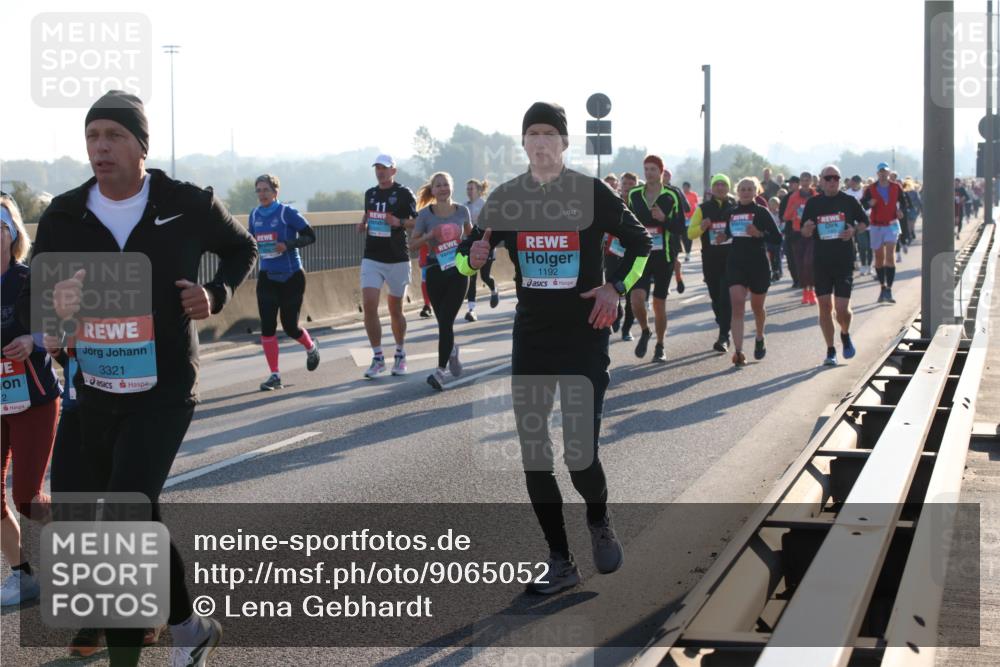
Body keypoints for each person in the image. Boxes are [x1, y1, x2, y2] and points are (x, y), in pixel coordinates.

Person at [36, 90, 256, 666]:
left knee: (128, 507)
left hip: (164, 388)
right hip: (94, 387)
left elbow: (242, 248)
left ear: (140, 145)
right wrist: (55, 310)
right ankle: (187, 626)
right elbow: (44, 290)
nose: (100, 147)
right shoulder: (63, 214)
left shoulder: (187, 203)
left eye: (113, 136)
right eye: (92, 136)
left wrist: (215, 293)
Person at [456, 102, 651, 594]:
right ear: (523, 144)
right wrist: (471, 256)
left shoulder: (590, 192)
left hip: (585, 333)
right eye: (532, 134)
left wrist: (616, 289)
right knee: (534, 452)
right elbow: (462, 259)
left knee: (579, 453)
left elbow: (641, 243)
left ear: (564, 143)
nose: (540, 142)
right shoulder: (508, 196)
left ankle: (599, 518)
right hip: (533, 337)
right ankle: (560, 560)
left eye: (549, 134)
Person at [1, 195, 60, 608]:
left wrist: (31, 339)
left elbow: (60, 327)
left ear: (13, 234)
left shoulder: (29, 279)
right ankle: (22, 576)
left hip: (34, 399)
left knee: (26, 496)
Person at [249, 174, 319, 391]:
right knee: (267, 327)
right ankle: (275, 375)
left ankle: (310, 346)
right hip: (268, 276)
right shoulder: (254, 215)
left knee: (289, 326)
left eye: (266, 190)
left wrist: (287, 245)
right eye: (259, 190)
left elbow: (310, 236)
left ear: (275, 192)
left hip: (291, 277)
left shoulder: (286, 212)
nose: (262, 194)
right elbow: (251, 242)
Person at [801, 165, 869, 366]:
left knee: (841, 309)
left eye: (836, 178)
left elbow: (865, 222)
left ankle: (845, 334)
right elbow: (804, 231)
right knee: (824, 306)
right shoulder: (813, 203)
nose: (832, 181)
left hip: (844, 260)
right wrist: (807, 228)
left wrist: (853, 230)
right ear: (820, 181)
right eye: (828, 178)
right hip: (821, 260)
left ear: (840, 181)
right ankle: (830, 350)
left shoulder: (849, 201)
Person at [358, 154, 417, 378]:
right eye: (377, 168)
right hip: (372, 256)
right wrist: (363, 223)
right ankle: (378, 357)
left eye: (384, 168)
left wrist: (399, 222)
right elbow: (368, 213)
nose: (380, 172)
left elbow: (417, 220)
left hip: (397, 258)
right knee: (369, 304)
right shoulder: (370, 194)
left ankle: (400, 353)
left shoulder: (404, 193)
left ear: (393, 170)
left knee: (395, 310)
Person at [411, 173, 472, 391]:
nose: (443, 188)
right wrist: (429, 236)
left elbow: (470, 237)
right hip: (435, 271)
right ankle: (452, 350)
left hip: (458, 272)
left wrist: (471, 252)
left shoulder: (462, 211)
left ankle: (439, 372)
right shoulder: (425, 214)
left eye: (446, 184)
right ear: (433, 190)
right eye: (438, 185)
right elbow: (413, 244)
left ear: (451, 187)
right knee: (443, 323)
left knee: (446, 321)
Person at [627, 156, 687, 363]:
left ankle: (660, 345)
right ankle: (645, 330)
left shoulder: (672, 194)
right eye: (646, 169)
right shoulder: (634, 194)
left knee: (659, 304)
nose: (649, 173)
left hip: (664, 256)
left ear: (661, 171)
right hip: (641, 256)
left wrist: (664, 219)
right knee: (636, 301)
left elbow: (681, 228)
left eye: (653, 169)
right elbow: (626, 223)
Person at [722, 179, 782, 366]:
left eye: (750, 189)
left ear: (756, 192)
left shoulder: (761, 212)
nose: (746, 192)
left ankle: (759, 336)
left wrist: (759, 234)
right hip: (736, 263)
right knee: (738, 304)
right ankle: (738, 352)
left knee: (757, 307)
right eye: (743, 189)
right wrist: (723, 236)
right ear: (737, 191)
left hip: (758, 264)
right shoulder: (731, 213)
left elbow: (777, 238)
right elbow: (729, 233)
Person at [688, 174, 736, 352]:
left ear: (728, 188)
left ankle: (724, 335)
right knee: (716, 298)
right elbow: (690, 234)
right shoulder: (703, 209)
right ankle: (723, 322)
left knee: (726, 297)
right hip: (710, 259)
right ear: (712, 188)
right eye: (717, 185)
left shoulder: (735, 208)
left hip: (731, 258)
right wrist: (701, 227)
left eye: (724, 184)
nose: (721, 188)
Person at [862, 163, 907, 304]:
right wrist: (870, 204)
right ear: (877, 174)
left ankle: (889, 289)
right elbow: (863, 204)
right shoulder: (871, 188)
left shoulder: (896, 187)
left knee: (890, 256)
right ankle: (882, 287)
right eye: (880, 172)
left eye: (885, 172)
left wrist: (901, 211)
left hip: (892, 224)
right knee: (879, 258)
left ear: (888, 173)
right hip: (876, 226)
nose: (883, 174)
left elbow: (904, 202)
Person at [464, 178, 497, 320]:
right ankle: (471, 310)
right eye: (467, 189)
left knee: (485, 276)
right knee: (471, 277)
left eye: (472, 189)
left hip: (486, 245)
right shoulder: (463, 207)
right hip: (471, 246)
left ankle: (494, 289)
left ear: (478, 191)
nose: (469, 191)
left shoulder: (485, 205)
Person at [844, 175, 871, 275]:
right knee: (859, 245)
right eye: (853, 182)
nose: (854, 184)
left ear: (859, 182)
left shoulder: (865, 192)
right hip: (853, 223)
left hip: (866, 221)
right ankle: (859, 264)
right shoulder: (846, 193)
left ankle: (868, 265)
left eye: (856, 182)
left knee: (868, 246)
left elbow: (869, 205)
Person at [778, 175, 801, 287]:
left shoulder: (805, 196)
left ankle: (806, 279)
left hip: (804, 231)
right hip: (790, 231)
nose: (790, 185)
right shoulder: (786, 199)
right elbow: (781, 216)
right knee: (791, 257)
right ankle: (796, 280)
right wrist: (791, 216)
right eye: (789, 183)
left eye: (793, 183)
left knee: (805, 257)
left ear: (799, 184)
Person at [766, 196, 784, 281]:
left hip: (778, 237)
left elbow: (783, 224)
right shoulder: (767, 214)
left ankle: (779, 271)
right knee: (771, 256)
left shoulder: (780, 214)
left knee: (778, 255)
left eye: (775, 204)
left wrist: (780, 231)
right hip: (769, 238)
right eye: (771, 204)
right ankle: (774, 271)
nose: (773, 206)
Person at [681, 181, 699, 261]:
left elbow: (696, 205)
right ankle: (686, 251)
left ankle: (688, 253)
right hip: (683, 219)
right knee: (684, 236)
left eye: (686, 187)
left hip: (691, 219)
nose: (685, 189)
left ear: (689, 187)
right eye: (684, 187)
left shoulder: (694, 195)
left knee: (689, 236)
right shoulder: (681, 195)